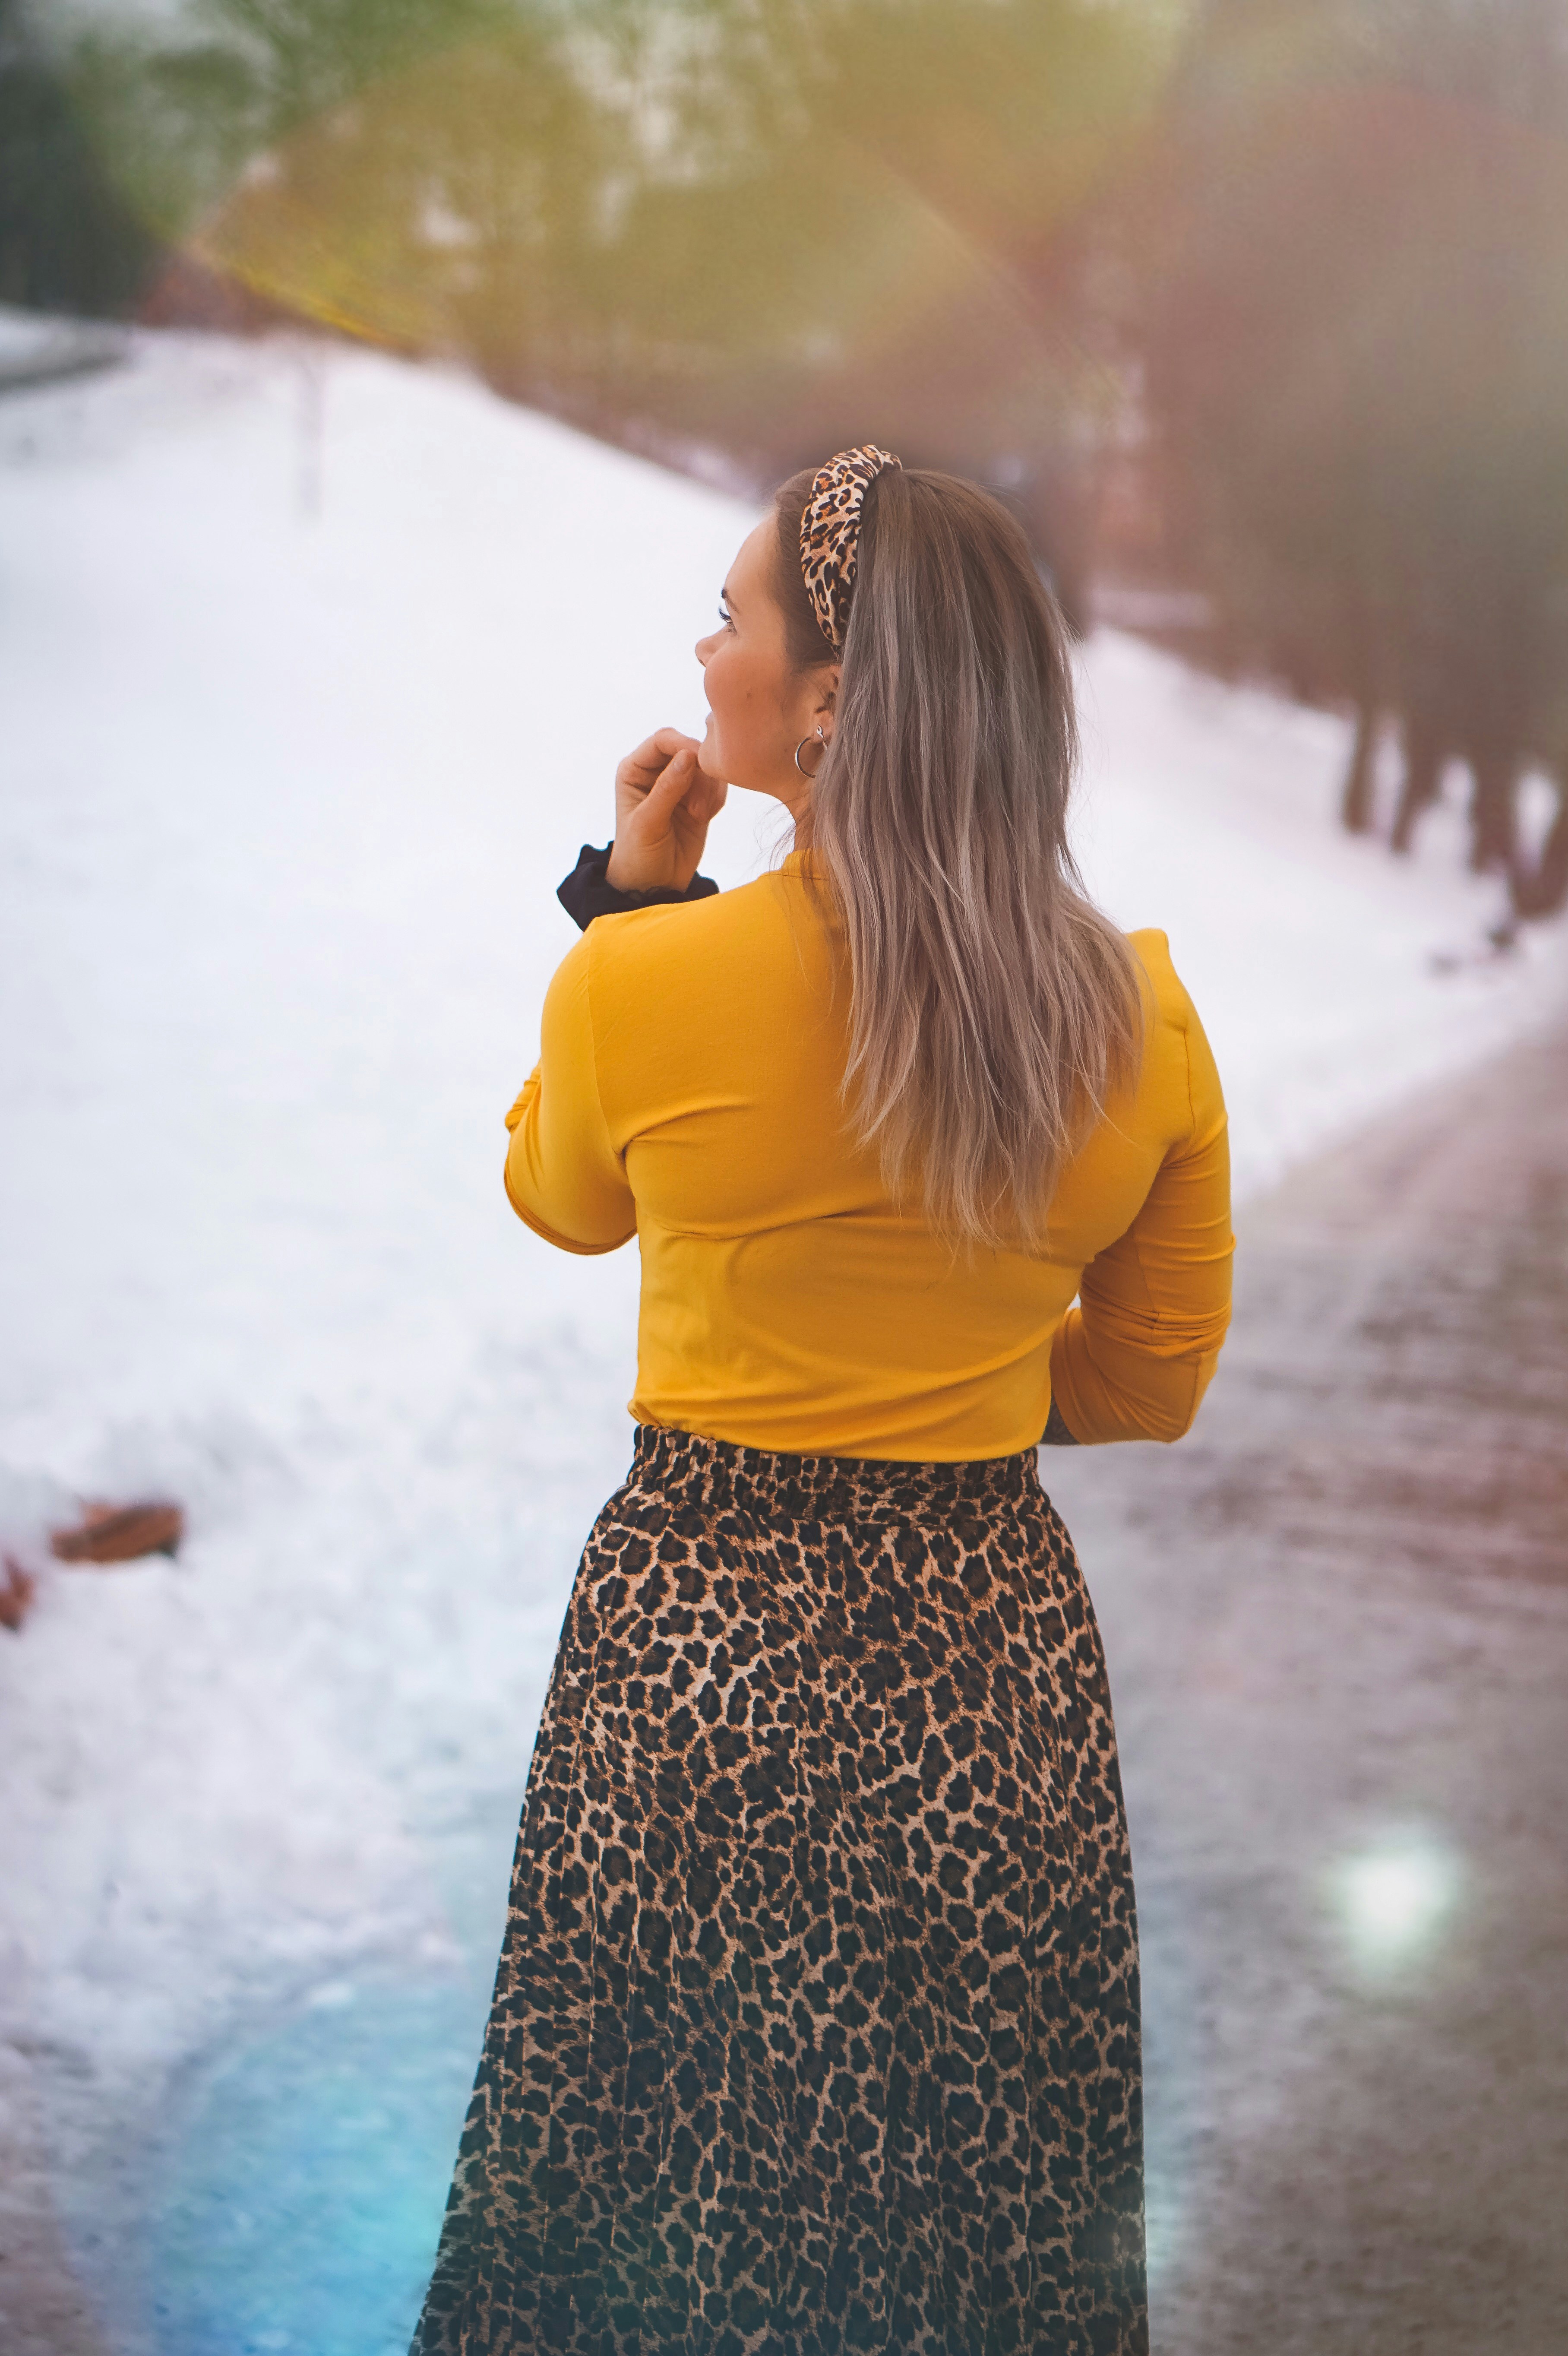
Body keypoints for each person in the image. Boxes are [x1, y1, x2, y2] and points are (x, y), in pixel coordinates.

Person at [411, 448, 1233, 2356]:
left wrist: (629, 902)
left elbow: (561, 1198)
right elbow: (1143, 1376)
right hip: (989, 1673)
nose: (703, 655)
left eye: (731, 616)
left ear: (832, 696)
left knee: (627, 2193)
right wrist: (933, 1355)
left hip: (688, 1660)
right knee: (979, 2218)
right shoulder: (1138, 1017)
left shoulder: (646, 981)